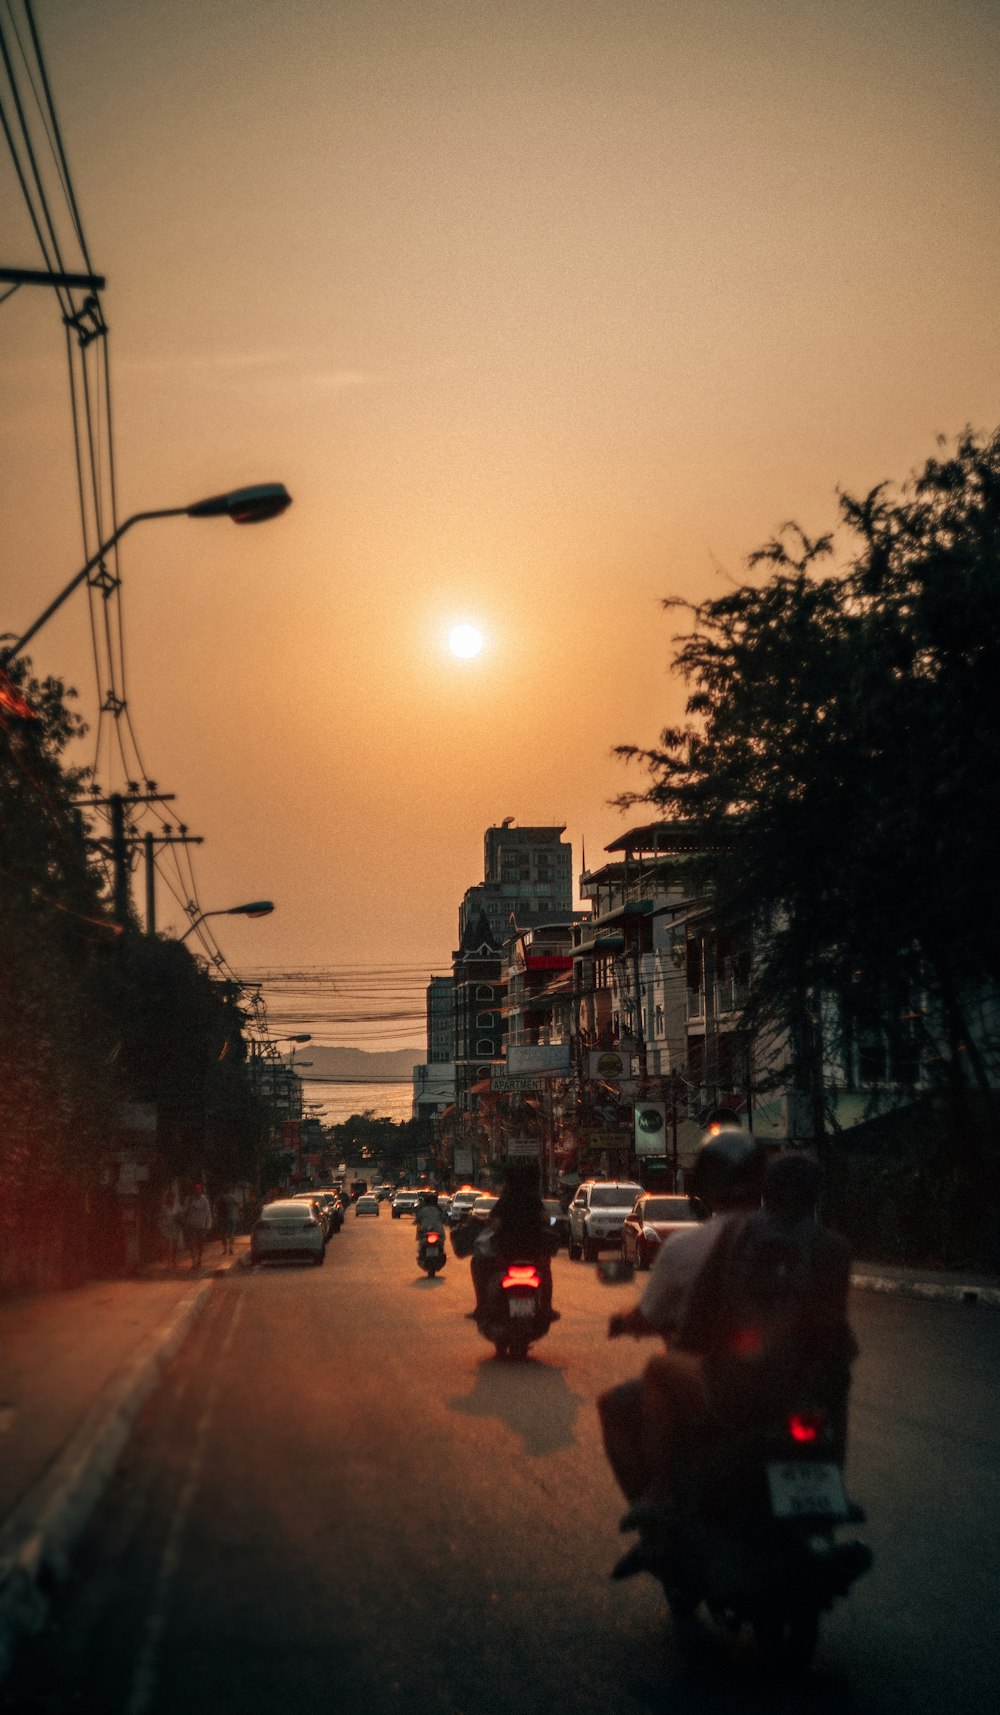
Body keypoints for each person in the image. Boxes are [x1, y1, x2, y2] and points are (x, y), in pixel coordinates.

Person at [598, 1127, 767, 1511]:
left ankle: (657, 1502)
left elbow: (648, 1315)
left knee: (625, 1398)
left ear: (704, 1186)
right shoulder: (804, 1242)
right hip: (796, 1379)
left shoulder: (688, 1246)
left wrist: (624, 1322)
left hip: (724, 1380)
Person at [467, 1160, 559, 1321]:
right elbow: (545, 1218)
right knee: (545, 1271)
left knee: (478, 1264)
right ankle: (547, 1307)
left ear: (507, 1182)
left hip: (507, 1252)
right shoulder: (533, 1200)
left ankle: (481, 1306)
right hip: (533, 1251)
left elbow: (495, 1224)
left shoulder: (506, 1201)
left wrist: (486, 1222)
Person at [181, 1182, 213, 1270]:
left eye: (198, 1189)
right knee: (192, 1244)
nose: (197, 1190)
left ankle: (199, 1259)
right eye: (195, 1189)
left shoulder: (204, 1200)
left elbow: (208, 1213)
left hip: (201, 1226)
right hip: (191, 1225)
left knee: (200, 1244)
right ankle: (194, 1262)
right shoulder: (188, 1200)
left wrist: (208, 1225)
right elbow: (184, 1211)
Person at [217, 1187, 241, 1256]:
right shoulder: (234, 1198)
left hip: (223, 1218)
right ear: (230, 1190)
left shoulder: (221, 1198)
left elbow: (218, 1207)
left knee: (223, 1234)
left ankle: (225, 1249)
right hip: (233, 1217)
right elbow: (238, 1206)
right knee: (232, 1233)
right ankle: (231, 1248)